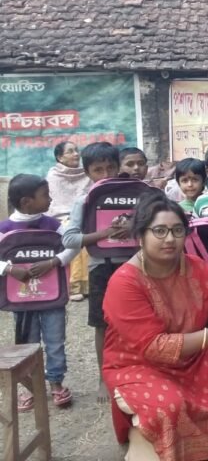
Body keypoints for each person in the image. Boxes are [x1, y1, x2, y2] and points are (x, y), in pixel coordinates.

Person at [101, 193, 208, 461]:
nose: (170, 238)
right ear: (140, 235)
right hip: (137, 365)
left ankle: (207, 444)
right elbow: (154, 347)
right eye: (160, 231)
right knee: (169, 404)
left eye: (178, 230)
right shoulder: (125, 283)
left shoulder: (197, 266)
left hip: (193, 359)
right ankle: (141, 433)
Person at [0, 174, 79, 410]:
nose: (50, 199)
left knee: (55, 342)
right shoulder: (4, 229)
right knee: (27, 343)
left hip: (52, 300)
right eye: (45, 195)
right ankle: (30, 387)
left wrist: (53, 262)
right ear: (26, 202)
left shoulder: (54, 226)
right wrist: (9, 268)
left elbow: (72, 247)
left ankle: (55, 383)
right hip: (22, 302)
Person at [61, 141, 130, 403]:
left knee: (140, 321)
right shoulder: (84, 200)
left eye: (110, 168)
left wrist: (134, 227)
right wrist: (103, 234)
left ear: (118, 166)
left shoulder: (135, 193)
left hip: (136, 264)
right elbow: (69, 239)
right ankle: (104, 378)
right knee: (102, 324)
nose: (105, 175)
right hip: (102, 266)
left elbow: (151, 223)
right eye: (97, 170)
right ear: (87, 172)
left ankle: (138, 370)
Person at [46, 141, 92, 301]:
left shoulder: (86, 174)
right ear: (60, 157)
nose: (76, 154)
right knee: (72, 233)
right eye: (70, 151)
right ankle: (74, 286)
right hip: (61, 217)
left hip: (84, 215)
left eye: (77, 150)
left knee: (87, 230)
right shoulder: (53, 176)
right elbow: (54, 203)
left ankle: (88, 285)